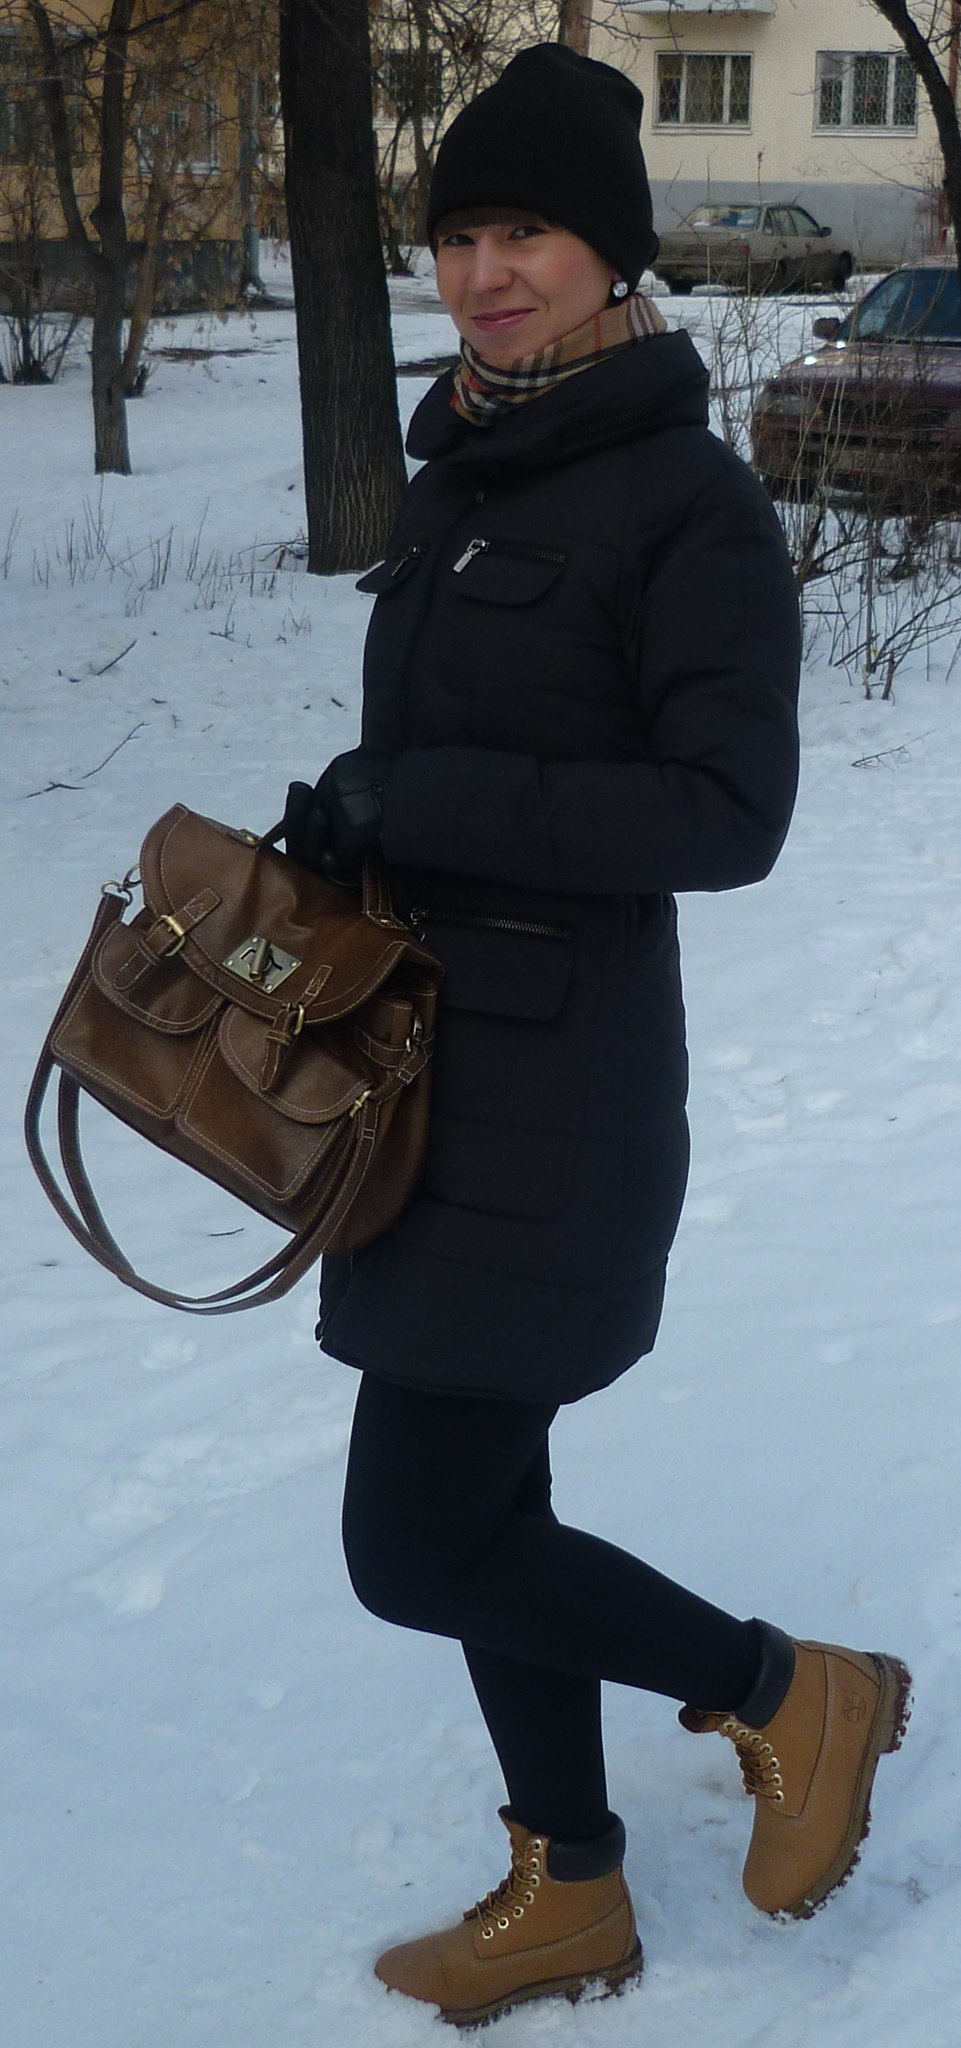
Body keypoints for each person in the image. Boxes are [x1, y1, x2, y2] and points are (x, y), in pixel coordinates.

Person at [283, 44, 911, 2029]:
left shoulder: (684, 503)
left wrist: (431, 798)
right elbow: (465, 758)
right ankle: (568, 1881)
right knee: (489, 1521)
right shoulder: (468, 472)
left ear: (611, 257)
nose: (484, 273)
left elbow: (725, 816)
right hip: (422, 1084)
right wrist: (356, 819)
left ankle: (787, 1692)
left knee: (415, 1541)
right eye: (458, 233)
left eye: (526, 233)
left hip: (552, 1107)